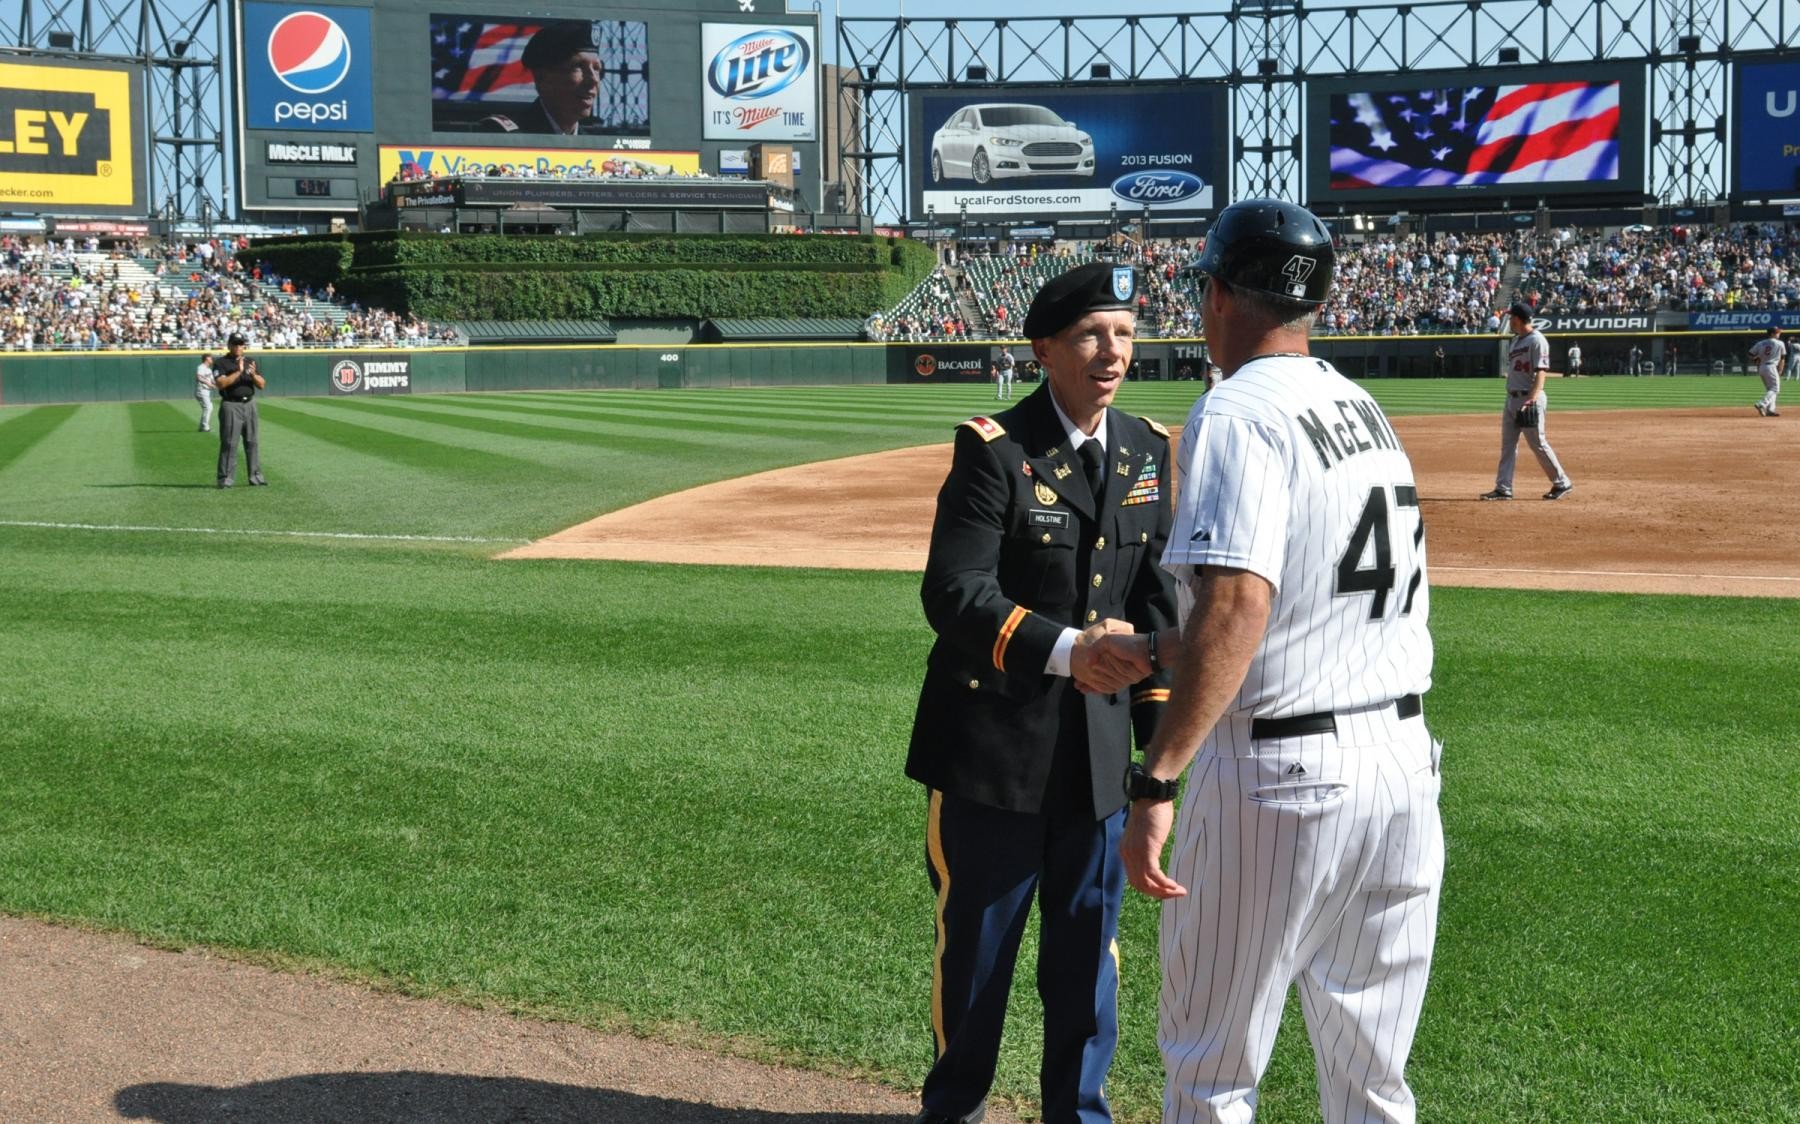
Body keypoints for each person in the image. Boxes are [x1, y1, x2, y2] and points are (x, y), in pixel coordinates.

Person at [1106, 198, 1443, 1124]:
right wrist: (1154, 649)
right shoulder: (1359, 405)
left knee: (1212, 1071)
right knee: (1371, 1077)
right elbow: (1299, 608)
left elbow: (1240, 602)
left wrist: (1156, 779)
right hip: (1404, 768)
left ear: (1216, 295)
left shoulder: (1236, 410)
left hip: (1279, 779)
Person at [906, 260, 1180, 1124]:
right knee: (977, 965)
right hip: (994, 759)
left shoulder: (1145, 447)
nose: (1112, 352)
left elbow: (1153, 604)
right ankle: (954, 1112)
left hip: (1097, 768)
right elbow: (954, 592)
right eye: (1092, 335)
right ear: (1045, 350)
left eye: (1125, 334)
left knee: (1087, 966)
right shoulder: (995, 449)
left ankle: (1079, 1116)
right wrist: (1068, 651)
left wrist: (1153, 755)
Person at [1481, 301, 1574, 501]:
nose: (1509, 320)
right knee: (1508, 446)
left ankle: (1562, 482)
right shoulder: (1515, 341)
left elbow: (1542, 372)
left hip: (1529, 398)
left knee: (1538, 443)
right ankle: (1503, 487)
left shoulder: (1537, 340)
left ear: (1518, 318)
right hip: (1512, 399)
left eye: (1511, 317)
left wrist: (1531, 399)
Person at [477, 22, 606, 135]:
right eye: (578, 67)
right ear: (542, 77)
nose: (593, 80)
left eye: (596, 68)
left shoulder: (597, 148)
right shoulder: (503, 137)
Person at [213, 333, 267, 488]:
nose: (238, 347)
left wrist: (253, 374)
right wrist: (238, 371)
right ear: (229, 345)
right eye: (235, 344)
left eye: (241, 344)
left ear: (244, 346)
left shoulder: (251, 362)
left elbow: (262, 384)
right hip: (231, 405)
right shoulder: (221, 363)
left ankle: (255, 477)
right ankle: (225, 479)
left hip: (249, 404)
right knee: (229, 443)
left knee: (252, 442)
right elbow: (221, 384)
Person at [1749, 326, 1783, 417]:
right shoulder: (1780, 343)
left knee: (1770, 389)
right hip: (1771, 367)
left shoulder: (1760, 343)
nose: (1779, 333)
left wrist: (1755, 360)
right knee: (1775, 389)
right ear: (1772, 334)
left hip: (1761, 367)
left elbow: (1750, 354)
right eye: (1777, 332)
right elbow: (1783, 358)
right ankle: (1762, 403)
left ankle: (1770, 410)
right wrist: (1780, 369)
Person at [194, 353, 216, 433]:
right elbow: (198, 377)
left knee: (207, 408)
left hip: (206, 391)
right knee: (208, 408)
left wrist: (216, 383)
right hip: (202, 390)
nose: (212, 359)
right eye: (211, 358)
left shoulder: (209, 369)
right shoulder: (201, 367)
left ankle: (202, 427)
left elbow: (212, 380)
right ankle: (205, 427)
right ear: (206, 359)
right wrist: (208, 384)